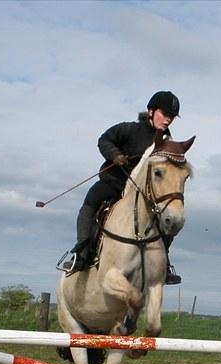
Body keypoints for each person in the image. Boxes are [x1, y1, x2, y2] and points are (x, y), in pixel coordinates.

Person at [60, 91, 183, 284]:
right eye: (165, 114)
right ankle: (82, 253)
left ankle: (164, 262)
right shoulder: (129, 129)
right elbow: (104, 140)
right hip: (114, 184)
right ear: (151, 111)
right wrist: (115, 155)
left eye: (172, 117)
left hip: (143, 194)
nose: (168, 120)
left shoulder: (167, 141)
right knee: (91, 202)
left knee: (168, 219)